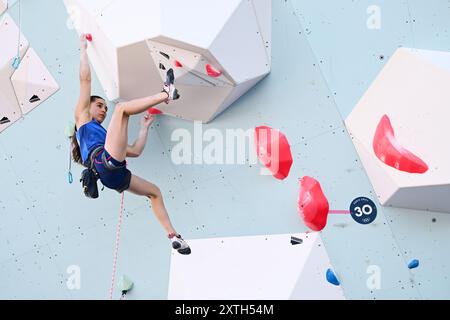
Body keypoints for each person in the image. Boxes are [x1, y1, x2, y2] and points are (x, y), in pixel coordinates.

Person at [71, 34, 190, 255]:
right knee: (122, 109)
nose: (104, 110)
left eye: (104, 107)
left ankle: (174, 236)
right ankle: (166, 92)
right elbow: (85, 80)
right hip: (105, 163)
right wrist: (83, 49)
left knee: (154, 193)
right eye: (100, 105)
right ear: (87, 106)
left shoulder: (105, 139)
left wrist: (144, 128)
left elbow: (134, 151)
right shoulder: (83, 119)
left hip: (112, 174)